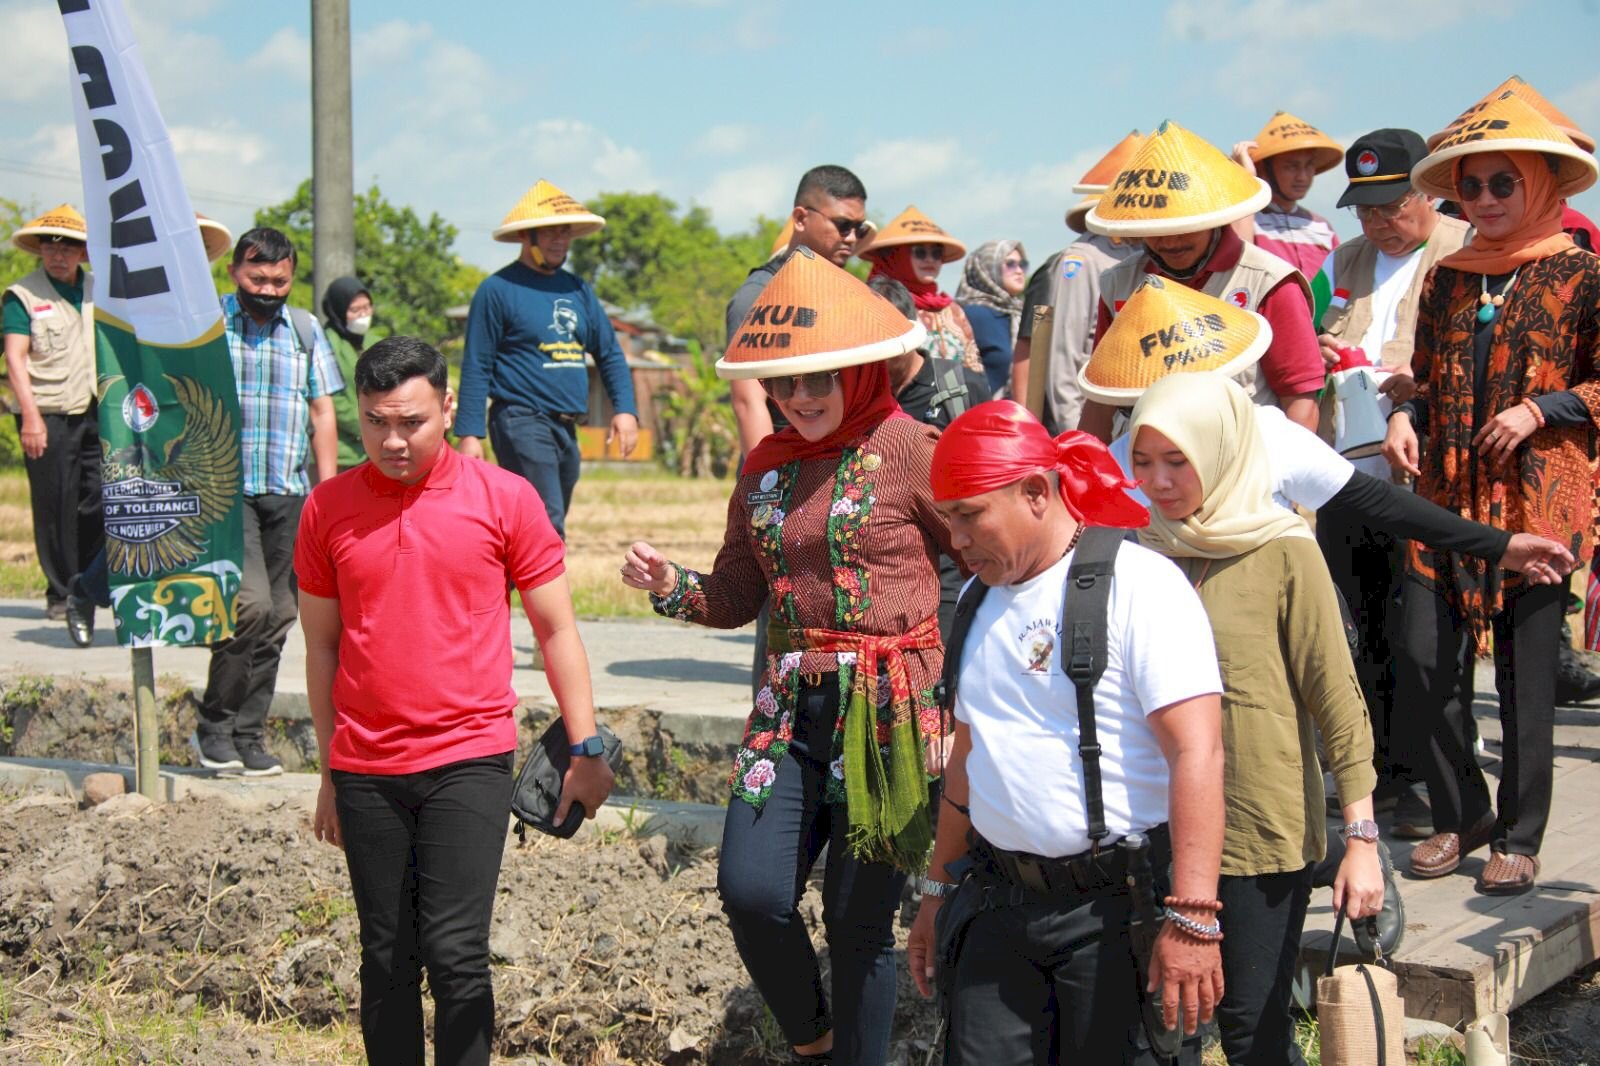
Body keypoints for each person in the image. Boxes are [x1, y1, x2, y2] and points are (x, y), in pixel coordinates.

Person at [621, 248, 953, 1066]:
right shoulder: (763, 468)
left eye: (818, 379)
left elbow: (976, 562)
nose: (798, 398)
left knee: (859, 926)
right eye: (783, 383)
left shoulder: (913, 447)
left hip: (889, 712)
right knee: (752, 892)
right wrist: (670, 582)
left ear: (859, 370)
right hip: (786, 713)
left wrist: (953, 691)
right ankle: (813, 1040)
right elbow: (736, 596)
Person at [298, 336, 614, 1066]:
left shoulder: (504, 498)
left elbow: (557, 627)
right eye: (375, 422)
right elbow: (321, 648)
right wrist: (328, 771)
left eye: (410, 421)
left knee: (456, 955)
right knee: (386, 956)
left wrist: (587, 746)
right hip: (366, 767)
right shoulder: (328, 508)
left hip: (468, 759)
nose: (393, 440)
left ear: (447, 407)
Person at [907, 398, 1227, 1063]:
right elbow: (969, 756)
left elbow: (1197, 751)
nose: (956, 540)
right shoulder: (974, 601)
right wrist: (938, 890)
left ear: (1034, 493)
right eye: (947, 519)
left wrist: (1194, 917)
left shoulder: (1142, 587)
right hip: (997, 904)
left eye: (970, 516)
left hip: (1112, 910)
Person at [1130, 373, 1385, 1064]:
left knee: (1252, 1027)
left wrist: (1360, 839)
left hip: (1257, 824)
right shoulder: (1134, 550)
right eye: (1143, 461)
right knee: (1164, 1027)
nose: (1158, 481)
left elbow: (1336, 698)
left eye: (1177, 461)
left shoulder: (1284, 549)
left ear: (1221, 450)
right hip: (1154, 820)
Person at [1382, 91, 1600, 894]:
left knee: (1525, 676)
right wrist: (1406, 411)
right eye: (1467, 190)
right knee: (1423, 658)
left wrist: (1541, 407)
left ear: (1543, 183)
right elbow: (1427, 379)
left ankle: (1521, 831)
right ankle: (1461, 812)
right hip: (1444, 497)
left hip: (1537, 502)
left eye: (1501, 184)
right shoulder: (1447, 278)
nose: (1482, 202)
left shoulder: (1582, 274)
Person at [1313, 129, 1472, 834]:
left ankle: (1443, 787)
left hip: (1427, 470)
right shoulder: (1341, 261)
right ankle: (1385, 779)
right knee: (1365, 628)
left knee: (1426, 636)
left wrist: (1418, 386)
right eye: (1364, 208)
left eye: (1392, 204)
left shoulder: (1463, 250)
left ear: (1428, 192)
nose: (1378, 222)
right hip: (1348, 470)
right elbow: (1308, 332)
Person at [193, 227, 343, 777]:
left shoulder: (304, 331)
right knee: (249, 605)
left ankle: (248, 734)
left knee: (282, 614)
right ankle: (213, 724)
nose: (269, 288)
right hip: (224, 490)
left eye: (280, 280)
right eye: (258, 278)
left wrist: (326, 491)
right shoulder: (207, 325)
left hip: (287, 491)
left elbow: (322, 411)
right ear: (235, 272)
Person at [1083, 120, 1325, 437]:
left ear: (1214, 218)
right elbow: (1103, 398)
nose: (1169, 242)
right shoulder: (1120, 284)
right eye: (1154, 232)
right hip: (1144, 469)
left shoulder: (1269, 283)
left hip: (1239, 465)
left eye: (1184, 228)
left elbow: (1301, 403)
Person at [455, 179, 638, 539]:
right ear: (527, 237)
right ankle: (546, 596)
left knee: (538, 521)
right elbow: (477, 364)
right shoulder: (497, 290)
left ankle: (499, 590)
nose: (559, 240)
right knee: (546, 519)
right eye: (549, 232)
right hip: (520, 419)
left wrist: (625, 409)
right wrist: (469, 435)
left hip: (566, 425)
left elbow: (609, 353)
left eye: (564, 232)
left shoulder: (578, 290)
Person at [869, 274, 991, 640]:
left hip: (953, 570)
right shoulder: (855, 401)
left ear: (912, 332)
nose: (880, 352)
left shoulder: (961, 387)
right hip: (887, 579)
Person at [726, 165, 870, 457]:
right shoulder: (758, 296)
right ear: (801, 219)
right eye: (843, 225)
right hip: (786, 473)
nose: (853, 238)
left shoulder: (849, 292)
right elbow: (748, 403)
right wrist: (767, 484)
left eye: (860, 228)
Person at [3, 204, 102, 623]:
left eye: (68, 247)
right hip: (47, 412)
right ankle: (60, 593)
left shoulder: (100, 289)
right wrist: (30, 417)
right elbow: (14, 358)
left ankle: (88, 584)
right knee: (55, 504)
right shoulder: (22, 295)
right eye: (50, 246)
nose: (58, 255)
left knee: (98, 498)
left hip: (96, 410)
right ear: (40, 250)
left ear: (82, 252)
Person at [1012, 130, 1146, 431]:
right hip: (1098, 420)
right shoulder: (1082, 261)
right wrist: (1075, 436)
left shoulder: (1149, 257)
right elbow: (1065, 359)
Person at [862, 206, 983, 375]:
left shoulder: (953, 311)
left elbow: (974, 369)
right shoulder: (879, 305)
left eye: (936, 253)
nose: (930, 260)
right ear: (896, 256)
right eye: (920, 252)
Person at [1232, 111, 1344, 277]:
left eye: (1309, 166)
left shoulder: (1322, 227)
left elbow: (1339, 279)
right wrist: (1244, 178)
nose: (1303, 177)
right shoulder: (1248, 218)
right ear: (1264, 169)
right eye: (1291, 167)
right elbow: (1237, 260)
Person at [954, 239, 1028, 395]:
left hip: (1019, 413)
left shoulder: (1020, 313)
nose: (1019, 270)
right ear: (987, 269)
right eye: (1010, 264)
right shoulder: (974, 314)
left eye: (1022, 264)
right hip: (986, 414)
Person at [322, 275, 375, 470]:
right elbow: (332, 397)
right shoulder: (325, 343)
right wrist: (367, 424)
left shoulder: (373, 341)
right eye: (355, 310)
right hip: (342, 452)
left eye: (367, 307)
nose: (363, 315)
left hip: (373, 449)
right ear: (339, 310)